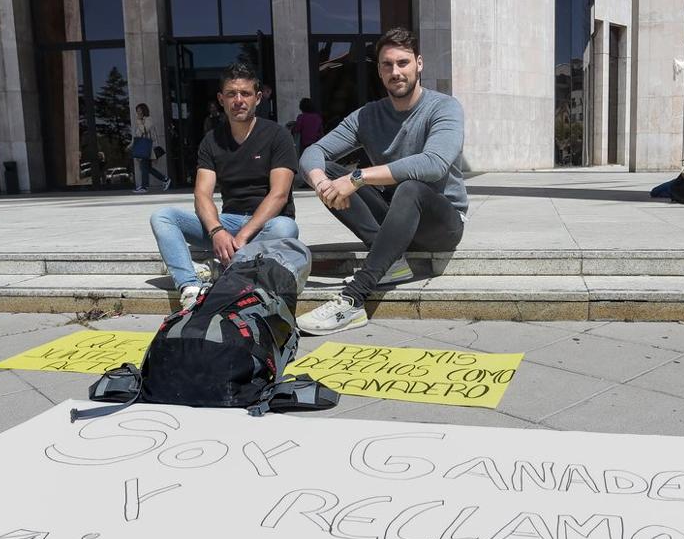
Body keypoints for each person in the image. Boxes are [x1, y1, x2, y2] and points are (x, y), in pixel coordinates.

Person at [296, 27, 468, 335]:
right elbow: (314, 152)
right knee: (333, 173)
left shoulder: (444, 107)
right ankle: (391, 260)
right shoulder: (367, 115)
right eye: (387, 65)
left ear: (419, 63)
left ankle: (353, 299)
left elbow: (434, 164)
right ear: (379, 70)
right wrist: (324, 184)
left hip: (440, 223)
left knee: (411, 187)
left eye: (403, 63)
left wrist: (359, 177)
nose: (396, 71)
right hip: (395, 221)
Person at [149, 62, 300, 310]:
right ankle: (190, 287)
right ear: (221, 99)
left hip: (266, 226)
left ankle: (225, 269)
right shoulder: (211, 141)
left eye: (245, 93)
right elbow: (202, 194)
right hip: (228, 223)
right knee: (163, 217)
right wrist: (217, 231)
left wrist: (242, 236)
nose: (238, 100)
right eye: (231, 94)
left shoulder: (277, 135)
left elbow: (279, 195)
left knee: (285, 228)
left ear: (258, 98)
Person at [131, 102, 171, 194]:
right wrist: (131, 145)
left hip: (148, 148)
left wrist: (139, 121)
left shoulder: (148, 119)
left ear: (144, 111)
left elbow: (144, 130)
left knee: (144, 167)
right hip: (143, 147)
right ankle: (165, 179)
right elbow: (138, 135)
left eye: (140, 111)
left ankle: (144, 187)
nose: (138, 113)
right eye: (137, 111)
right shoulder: (141, 121)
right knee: (147, 168)